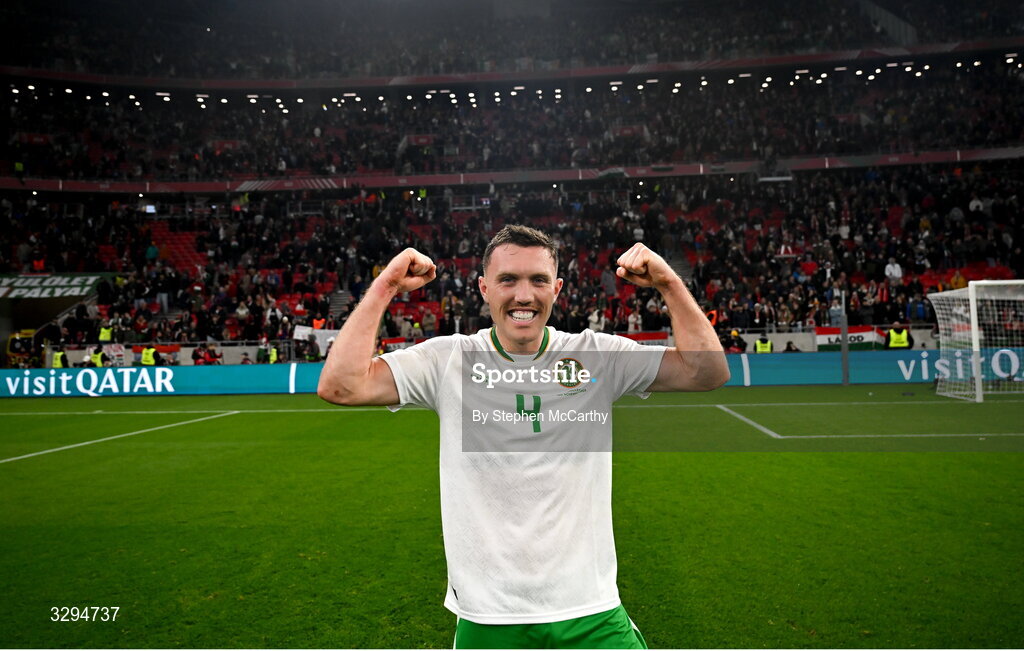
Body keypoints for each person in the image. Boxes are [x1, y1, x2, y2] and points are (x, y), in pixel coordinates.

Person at [318, 225, 728, 648]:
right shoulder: (448, 360)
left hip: (591, 613)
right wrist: (386, 285)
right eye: (508, 280)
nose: (524, 295)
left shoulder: (596, 355)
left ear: (557, 288)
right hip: (489, 619)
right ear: (483, 288)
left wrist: (667, 282)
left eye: (538, 280)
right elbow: (342, 386)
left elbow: (707, 372)